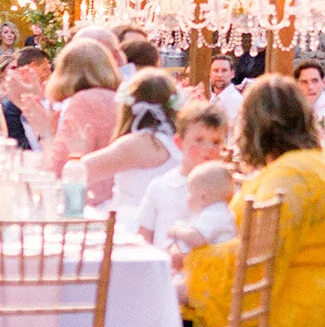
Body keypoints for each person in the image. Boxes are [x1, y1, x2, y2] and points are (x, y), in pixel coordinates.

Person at [181, 75, 325, 327]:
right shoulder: (309, 163)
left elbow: (260, 257)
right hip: (310, 302)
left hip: (290, 312)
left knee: (165, 308)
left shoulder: (290, 177)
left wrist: (192, 263)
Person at [7, 38, 121, 194]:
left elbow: (57, 170)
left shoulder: (83, 102)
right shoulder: (117, 99)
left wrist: (46, 133)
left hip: (88, 199)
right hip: (113, 194)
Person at [80, 68, 182, 224]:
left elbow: (78, 172)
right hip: (166, 223)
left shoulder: (139, 144)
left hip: (132, 224)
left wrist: (82, 147)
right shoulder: (176, 141)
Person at [138, 98, 229, 249]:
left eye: (216, 142)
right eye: (199, 140)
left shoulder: (227, 189)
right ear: (179, 142)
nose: (208, 149)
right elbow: (144, 237)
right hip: (166, 267)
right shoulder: (161, 186)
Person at [168, 162, 238, 253]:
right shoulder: (221, 212)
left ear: (203, 197)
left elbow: (196, 239)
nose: (187, 198)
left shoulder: (214, 214)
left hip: (213, 264)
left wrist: (176, 231)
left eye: (190, 192)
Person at [2, 46, 50, 149]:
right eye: (44, 69)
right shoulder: (11, 103)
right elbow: (19, 145)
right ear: (32, 67)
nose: (47, 74)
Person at [294, 59, 325, 129]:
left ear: (324, 83)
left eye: (315, 81)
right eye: (304, 82)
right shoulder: (291, 109)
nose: (310, 87)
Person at [207, 55, 243, 124]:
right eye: (215, 70)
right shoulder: (214, 98)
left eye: (224, 71)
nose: (219, 75)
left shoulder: (234, 100)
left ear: (232, 74)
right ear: (210, 73)